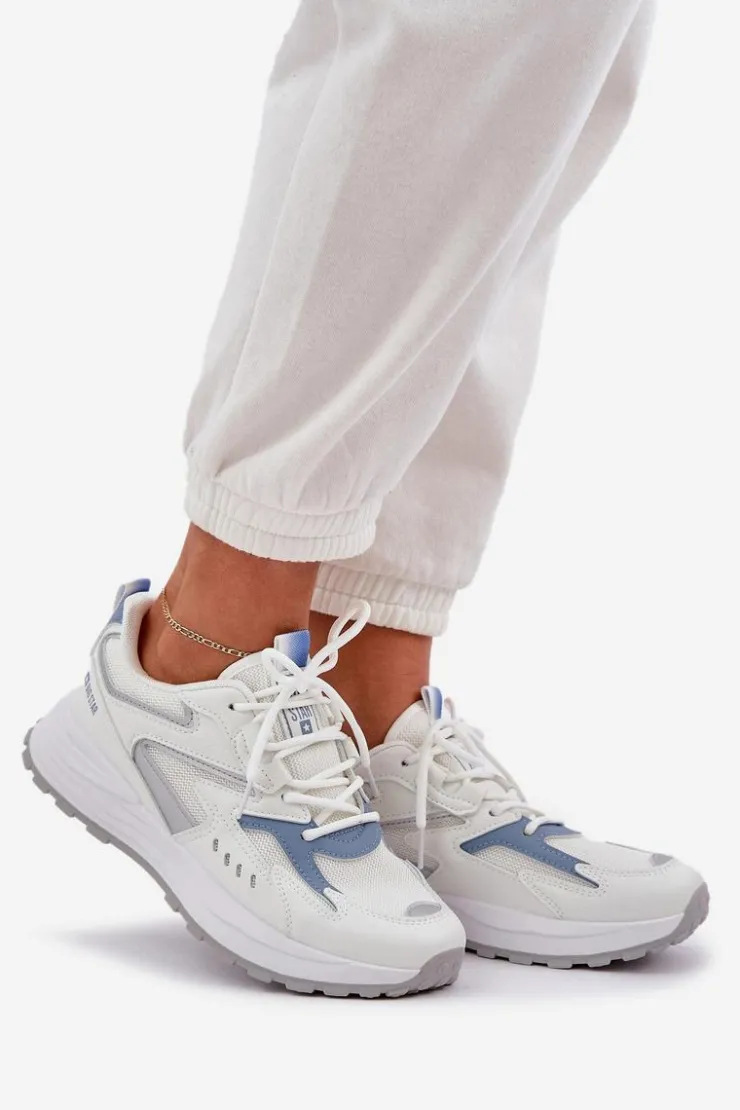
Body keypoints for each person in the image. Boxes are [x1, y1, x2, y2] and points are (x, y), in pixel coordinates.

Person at [25, 0, 708, 997]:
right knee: (470, 30)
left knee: (546, 95)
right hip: (220, 609)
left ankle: (363, 695)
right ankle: (200, 652)